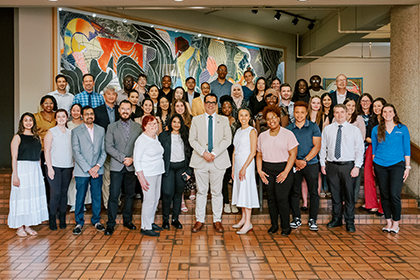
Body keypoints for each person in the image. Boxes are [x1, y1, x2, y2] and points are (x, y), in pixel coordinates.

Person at [189, 93, 232, 233]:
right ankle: (199, 220)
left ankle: (217, 220)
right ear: (204, 103)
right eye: (208, 102)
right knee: (201, 192)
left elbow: (227, 140)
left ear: (216, 104)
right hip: (200, 160)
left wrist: (213, 154)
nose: (210, 105)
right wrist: (204, 153)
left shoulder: (224, 120)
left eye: (213, 102)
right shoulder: (196, 120)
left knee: (217, 192)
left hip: (218, 160)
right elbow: (192, 140)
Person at [320, 104, 364, 233]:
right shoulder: (327, 129)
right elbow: (323, 148)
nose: (339, 115)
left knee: (349, 195)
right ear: (333, 114)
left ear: (347, 113)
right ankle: (336, 219)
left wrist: (357, 166)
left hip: (348, 166)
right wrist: (323, 164)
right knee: (335, 195)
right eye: (337, 112)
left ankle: (350, 221)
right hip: (332, 165)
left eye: (342, 112)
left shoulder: (354, 130)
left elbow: (359, 149)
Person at [256, 105, 298, 236]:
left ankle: (286, 226)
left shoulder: (288, 134)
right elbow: (259, 155)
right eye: (268, 119)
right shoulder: (262, 136)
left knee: (282, 198)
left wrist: (286, 172)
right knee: (271, 199)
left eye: (274, 117)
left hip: (283, 169)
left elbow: (293, 155)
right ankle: (274, 225)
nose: (271, 121)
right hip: (267, 169)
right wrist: (259, 171)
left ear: (279, 118)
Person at [104, 100, 142, 236]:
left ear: (131, 110)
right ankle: (110, 224)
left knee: (130, 195)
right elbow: (108, 146)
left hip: (131, 166)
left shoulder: (138, 127)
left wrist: (132, 158)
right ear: (119, 110)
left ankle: (127, 220)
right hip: (117, 166)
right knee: (114, 195)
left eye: (128, 109)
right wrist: (122, 158)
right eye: (123, 109)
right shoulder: (111, 127)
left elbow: (140, 146)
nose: (125, 111)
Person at [372, 104, 410, 234]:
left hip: (397, 165)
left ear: (394, 113)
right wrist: (373, 165)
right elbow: (374, 149)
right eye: (385, 112)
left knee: (394, 194)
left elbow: (407, 149)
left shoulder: (402, 129)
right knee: (384, 194)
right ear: (382, 114)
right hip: (380, 164)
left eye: (390, 111)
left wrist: (407, 167)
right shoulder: (376, 129)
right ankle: (388, 222)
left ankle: (396, 223)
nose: (387, 114)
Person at [8, 113, 49, 237]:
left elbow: (38, 157)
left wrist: (40, 173)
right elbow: (14, 157)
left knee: (31, 197)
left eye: (30, 120)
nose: (28, 123)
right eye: (26, 120)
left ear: (33, 122)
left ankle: (28, 225)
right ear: (22, 122)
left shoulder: (37, 137)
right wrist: (15, 175)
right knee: (21, 196)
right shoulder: (17, 137)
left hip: (34, 169)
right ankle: (19, 227)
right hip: (22, 169)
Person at [71, 106, 107, 235]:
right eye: (86, 114)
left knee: (97, 196)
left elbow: (104, 150)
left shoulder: (101, 130)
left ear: (94, 116)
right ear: (82, 116)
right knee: (80, 197)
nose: (89, 116)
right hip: (82, 170)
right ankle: (79, 222)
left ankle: (96, 220)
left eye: (91, 114)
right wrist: (89, 168)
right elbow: (76, 152)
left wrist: (97, 166)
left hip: (98, 170)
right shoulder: (76, 131)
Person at [287, 101, 321, 231]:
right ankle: (296, 218)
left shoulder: (313, 127)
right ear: (293, 113)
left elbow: (317, 146)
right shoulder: (289, 129)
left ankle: (313, 219)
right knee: (294, 192)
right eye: (297, 112)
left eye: (302, 112)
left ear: (306, 113)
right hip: (294, 164)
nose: (299, 115)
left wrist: (305, 160)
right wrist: (296, 161)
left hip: (311, 163)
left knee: (314, 192)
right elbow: (286, 148)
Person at [159, 114, 193, 230]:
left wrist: (189, 171)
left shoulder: (185, 136)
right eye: (174, 122)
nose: (176, 124)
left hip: (181, 169)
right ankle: (165, 220)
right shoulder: (163, 136)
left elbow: (190, 154)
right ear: (170, 123)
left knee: (178, 194)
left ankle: (175, 219)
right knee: (167, 193)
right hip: (168, 169)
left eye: (179, 122)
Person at [133, 115, 165, 237]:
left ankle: (150, 222)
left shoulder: (155, 137)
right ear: (144, 126)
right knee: (149, 200)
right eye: (150, 124)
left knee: (156, 198)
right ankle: (145, 227)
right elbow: (137, 160)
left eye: (155, 124)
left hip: (158, 172)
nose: (153, 126)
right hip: (148, 174)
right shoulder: (141, 140)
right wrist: (141, 178)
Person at [44, 109, 73, 230]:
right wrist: (49, 168)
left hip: (67, 166)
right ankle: (52, 218)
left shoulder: (71, 132)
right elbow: (46, 151)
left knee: (63, 193)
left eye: (63, 116)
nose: (61, 119)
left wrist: (74, 167)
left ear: (67, 118)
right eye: (59, 116)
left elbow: (73, 151)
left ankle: (62, 218)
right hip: (53, 166)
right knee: (55, 193)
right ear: (55, 119)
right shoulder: (51, 132)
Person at [231, 108, 259, 234]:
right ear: (238, 117)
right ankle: (243, 218)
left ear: (249, 117)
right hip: (238, 164)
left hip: (246, 164)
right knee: (240, 191)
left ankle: (248, 222)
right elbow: (234, 151)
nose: (243, 117)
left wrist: (243, 168)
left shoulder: (252, 131)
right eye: (241, 115)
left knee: (246, 191)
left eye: (245, 115)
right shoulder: (237, 131)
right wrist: (233, 168)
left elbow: (253, 152)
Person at [94, 86, 120, 210]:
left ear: (116, 97)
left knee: (118, 177)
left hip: (118, 149)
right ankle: (107, 203)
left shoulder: (120, 110)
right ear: (104, 96)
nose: (111, 96)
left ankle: (117, 202)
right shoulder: (97, 111)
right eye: (108, 94)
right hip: (104, 148)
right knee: (107, 178)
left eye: (113, 94)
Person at [362, 98, 387, 214]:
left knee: (383, 178)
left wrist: (376, 141)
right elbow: (366, 137)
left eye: (379, 106)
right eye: (375, 106)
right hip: (371, 149)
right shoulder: (371, 121)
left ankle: (383, 207)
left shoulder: (388, 120)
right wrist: (376, 140)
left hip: (383, 150)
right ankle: (371, 203)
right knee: (368, 176)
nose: (377, 108)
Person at [67, 103, 92, 211]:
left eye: (78, 110)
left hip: (86, 155)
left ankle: (84, 202)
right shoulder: (67, 124)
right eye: (74, 110)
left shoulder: (86, 124)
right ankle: (73, 203)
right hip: (71, 153)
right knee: (73, 180)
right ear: (71, 112)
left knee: (85, 179)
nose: (76, 113)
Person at [219, 95, 238, 214]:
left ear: (232, 108)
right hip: (222, 152)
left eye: (229, 107)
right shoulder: (218, 120)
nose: (227, 109)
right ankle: (226, 202)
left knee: (234, 178)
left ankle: (235, 202)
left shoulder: (236, 121)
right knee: (224, 179)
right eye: (224, 107)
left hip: (234, 152)